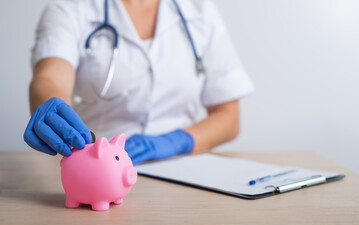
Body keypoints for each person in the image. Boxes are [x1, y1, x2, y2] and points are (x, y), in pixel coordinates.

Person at [24, 0, 254, 165]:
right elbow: (50, 76)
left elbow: (229, 119)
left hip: (181, 167)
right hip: (96, 164)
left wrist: (176, 141)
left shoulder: (199, 11)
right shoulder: (70, 10)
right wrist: (50, 106)